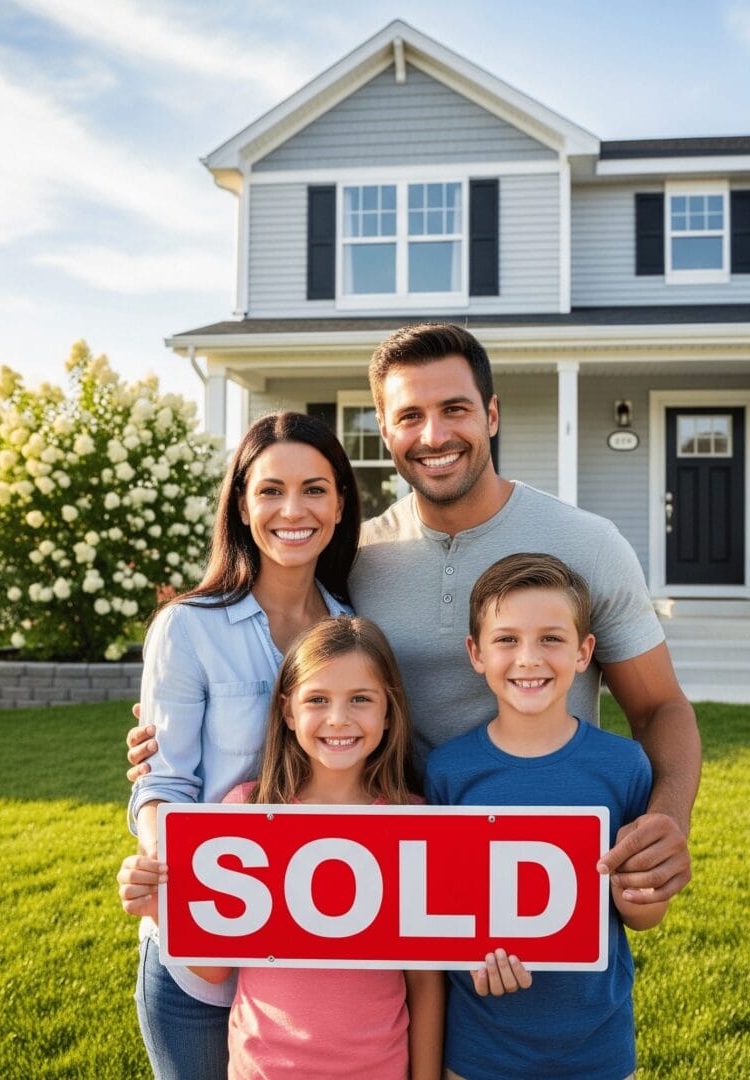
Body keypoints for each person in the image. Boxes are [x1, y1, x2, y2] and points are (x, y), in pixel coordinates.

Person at [128, 322, 699, 907]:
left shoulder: (589, 544)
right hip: (399, 879)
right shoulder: (354, 560)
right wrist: (166, 744)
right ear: (384, 431)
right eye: (409, 417)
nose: (434, 435)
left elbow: (660, 707)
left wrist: (668, 817)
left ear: (492, 414)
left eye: (455, 408)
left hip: (556, 870)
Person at [118, 411, 362, 1080]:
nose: (294, 509)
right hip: (203, 956)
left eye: (315, 488)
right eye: (270, 489)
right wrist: (176, 878)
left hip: (317, 955)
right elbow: (162, 784)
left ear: (341, 502)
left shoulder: (357, 629)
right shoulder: (187, 628)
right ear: (241, 504)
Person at [121, 615, 444, 1080]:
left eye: (360, 699)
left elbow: (424, 980)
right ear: (289, 712)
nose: (338, 718)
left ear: (389, 711)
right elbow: (214, 969)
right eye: (317, 700)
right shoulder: (245, 813)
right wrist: (158, 907)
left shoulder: (413, 821)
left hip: (379, 1069)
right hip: (262, 1069)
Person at [425, 553, 667, 1080]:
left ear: (584, 653)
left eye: (551, 639)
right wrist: (468, 958)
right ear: (476, 653)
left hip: (596, 1045)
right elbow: (436, 911)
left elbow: (644, 916)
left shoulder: (623, 766)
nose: (529, 658)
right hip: (480, 1046)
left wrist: (639, 900)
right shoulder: (448, 771)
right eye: (507, 640)